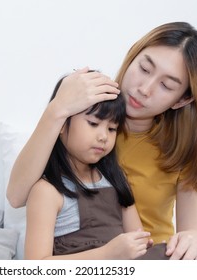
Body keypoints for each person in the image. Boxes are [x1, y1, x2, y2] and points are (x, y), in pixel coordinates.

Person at [7, 22, 197, 260]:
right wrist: (57, 110)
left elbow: (190, 233)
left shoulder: (183, 149)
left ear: (181, 100)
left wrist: (196, 239)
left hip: (150, 256)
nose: (145, 88)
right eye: (144, 68)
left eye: (166, 85)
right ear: (132, 56)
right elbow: (16, 197)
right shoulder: (83, 118)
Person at [25, 74, 152, 259]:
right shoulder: (47, 191)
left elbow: (139, 243)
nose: (103, 136)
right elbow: (35, 265)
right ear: (61, 124)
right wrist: (107, 254)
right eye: (93, 123)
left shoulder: (116, 180)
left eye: (112, 128)